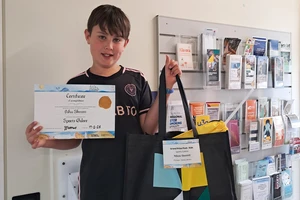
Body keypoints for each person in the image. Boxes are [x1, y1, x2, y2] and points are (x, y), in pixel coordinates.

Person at [25, 4, 182, 200]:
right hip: (95, 183)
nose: (109, 46)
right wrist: (45, 141)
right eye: (102, 37)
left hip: (136, 180)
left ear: (125, 43)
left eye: (116, 39)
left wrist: (166, 88)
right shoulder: (76, 85)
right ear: (87, 36)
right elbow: (74, 139)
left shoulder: (136, 79)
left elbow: (148, 129)